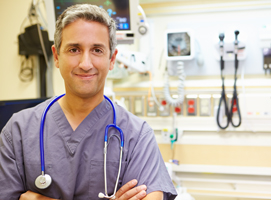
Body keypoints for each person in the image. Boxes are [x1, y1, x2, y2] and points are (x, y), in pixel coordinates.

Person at [0, 4, 177, 200]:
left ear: (112, 59)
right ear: (57, 56)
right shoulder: (18, 131)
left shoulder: (137, 135)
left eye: (97, 50)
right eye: (74, 49)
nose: (85, 64)